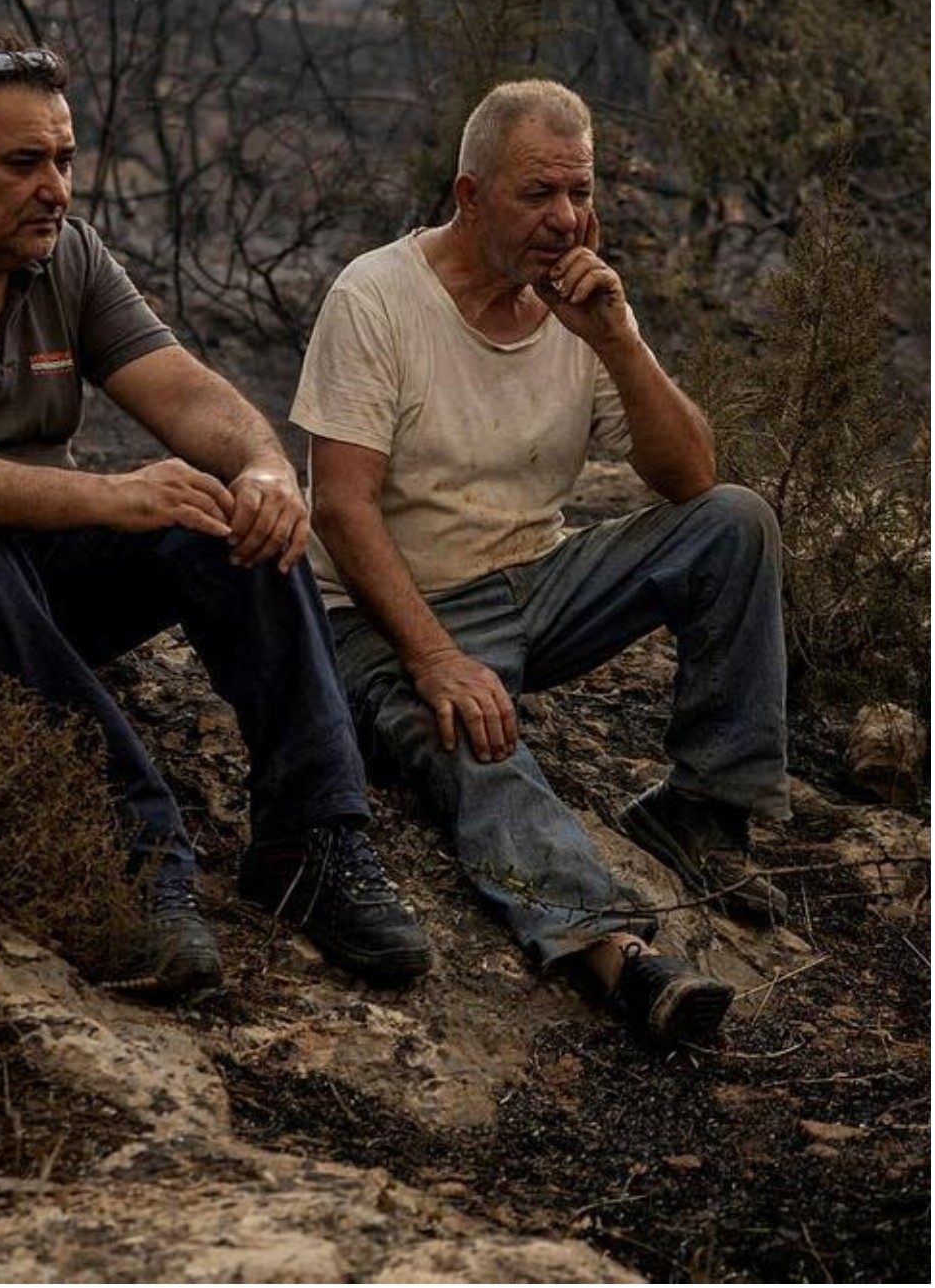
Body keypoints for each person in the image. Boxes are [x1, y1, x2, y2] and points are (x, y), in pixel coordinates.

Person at [0, 38, 431, 1001]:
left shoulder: (64, 257)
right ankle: (134, 857)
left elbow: (189, 396)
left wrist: (266, 467)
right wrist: (108, 493)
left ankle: (313, 837)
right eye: (24, 163)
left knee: (220, 517)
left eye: (64, 159)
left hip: (8, 585)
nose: (55, 188)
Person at [292, 78, 789, 1047]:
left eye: (580, 193)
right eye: (537, 195)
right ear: (468, 197)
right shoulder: (377, 297)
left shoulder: (579, 304)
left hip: (534, 584)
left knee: (735, 523)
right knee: (476, 742)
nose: (566, 221)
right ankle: (617, 956)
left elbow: (690, 477)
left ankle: (704, 809)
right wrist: (433, 657)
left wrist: (615, 339)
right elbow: (339, 508)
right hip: (388, 612)